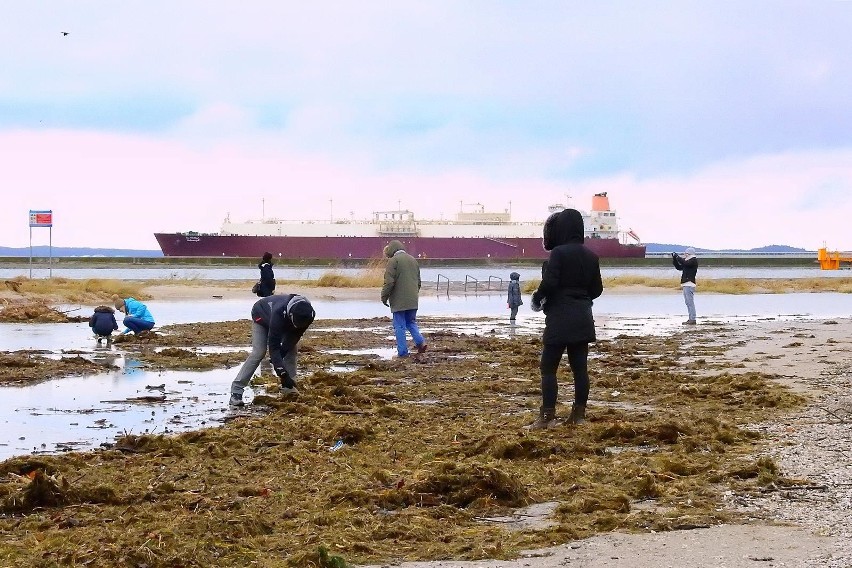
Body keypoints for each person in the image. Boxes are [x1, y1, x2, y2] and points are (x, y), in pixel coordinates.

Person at [529, 208, 603, 429]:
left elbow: (550, 283)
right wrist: (581, 298)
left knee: (548, 367)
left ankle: (547, 417)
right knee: (580, 369)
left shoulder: (558, 253)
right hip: (583, 317)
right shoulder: (592, 256)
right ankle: (578, 415)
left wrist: (537, 298)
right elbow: (597, 289)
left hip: (560, 318)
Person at [229, 293, 316, 407]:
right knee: (259, 352)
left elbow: (293, 338)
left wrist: (281, 357)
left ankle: (289, 388)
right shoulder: (279, 312)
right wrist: (282, 373)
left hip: (287, 322)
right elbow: (273, 347)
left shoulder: (308, 314)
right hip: (262, 315)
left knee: (291, 349)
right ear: (291, 315)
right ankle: (236, 391)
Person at [380, 240, 427, 357]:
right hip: (413, 299)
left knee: (399, 325)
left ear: (391, 250)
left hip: (398, 300)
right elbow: (419, 282)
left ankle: (402, 352)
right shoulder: (413, 260)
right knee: (411, 322)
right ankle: (420, 342)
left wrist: (384, 297)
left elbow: (389, 282)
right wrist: (413, 294)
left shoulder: (393, 261)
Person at [672, 247, 698, 325]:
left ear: (689, 254)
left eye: (686, 253)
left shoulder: (693, 260)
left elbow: (685, 263)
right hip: (686, 284)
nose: (684, 255)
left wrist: (677, 257)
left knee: (690, 302)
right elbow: (679, 267)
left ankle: (692, 319)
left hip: (689, 284)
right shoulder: (687, 261)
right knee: (687, 302)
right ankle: (691, 318)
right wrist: (675, 259)